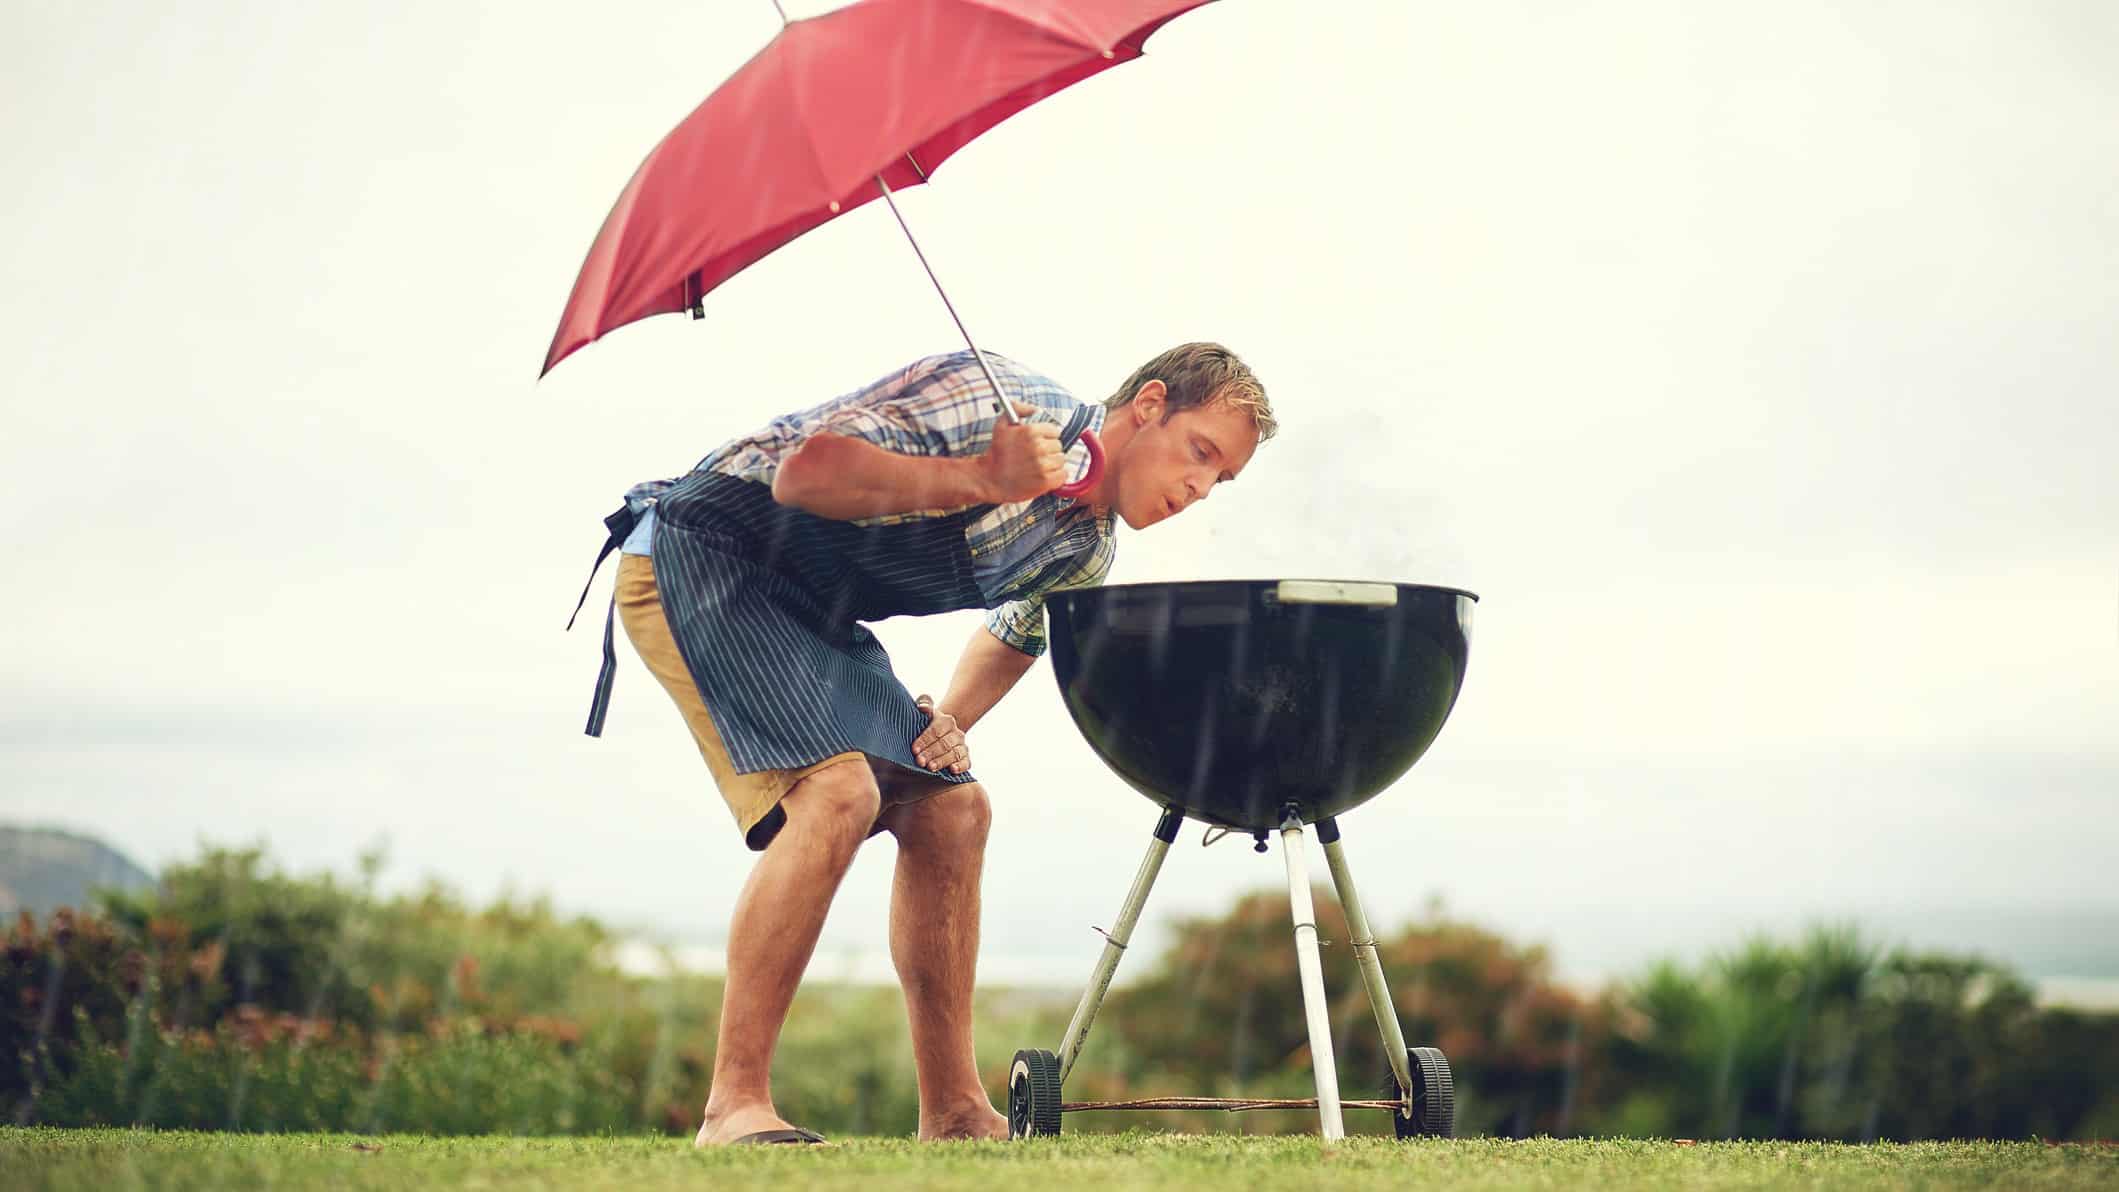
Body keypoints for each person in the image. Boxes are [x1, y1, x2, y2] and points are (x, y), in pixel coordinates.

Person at [570, 342, 1276, 1144]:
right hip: (702, 553)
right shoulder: (1000, 399)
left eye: (1220, 479)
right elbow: (805, 474)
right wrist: (985, 477)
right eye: (1200, 453)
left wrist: (953, 726)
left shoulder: (1084, 550)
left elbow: (1017, 631)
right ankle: (732, 1107)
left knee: (955, 808)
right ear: (1148, 406)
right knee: (838, 793)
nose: (1198, 487)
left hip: (814, 613)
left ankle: (953, 1112)